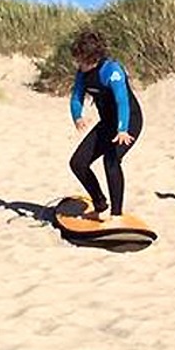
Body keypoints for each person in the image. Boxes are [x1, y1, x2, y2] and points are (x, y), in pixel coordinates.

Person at [68, 29, 142, 222]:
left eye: (80, 59)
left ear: (91, 57)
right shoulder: (82, 73)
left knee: (111, 160)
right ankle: (100, 203)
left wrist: (123, 129)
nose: (78, 64)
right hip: (107, 123)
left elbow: (122, 102)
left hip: (129, 122)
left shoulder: (112, 70)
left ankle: (116, 215)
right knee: (78, 163)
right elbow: (76, 97)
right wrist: (77, 116)